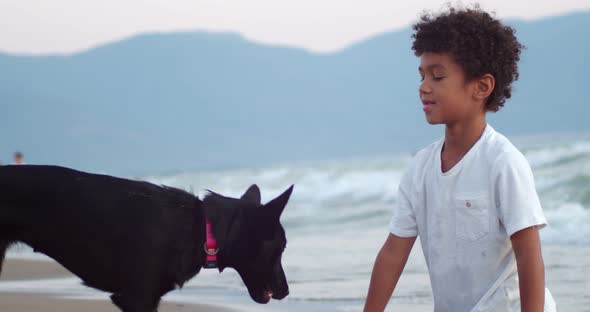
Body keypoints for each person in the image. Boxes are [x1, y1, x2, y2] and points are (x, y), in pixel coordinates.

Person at [363, 4, 556, 312]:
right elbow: (392, 254)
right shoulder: (420, 169)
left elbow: (529, 258)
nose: (423, 87)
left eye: (437, 76)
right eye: (422, 75)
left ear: (482, 87)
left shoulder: (502, 162)